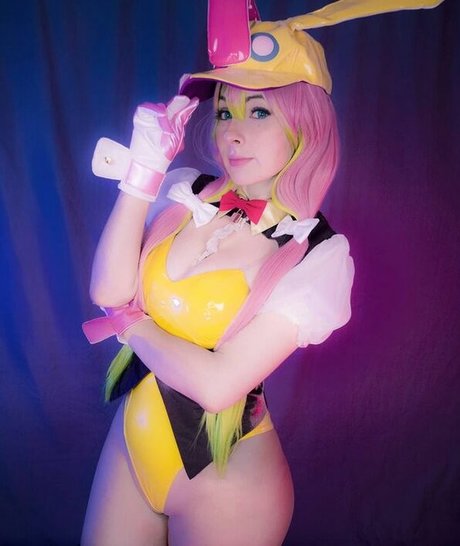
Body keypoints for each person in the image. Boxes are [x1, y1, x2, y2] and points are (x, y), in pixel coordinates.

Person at [80, 1, 443, 545]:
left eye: (259, 112)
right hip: (131, 442)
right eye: (225, 112)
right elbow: (108, 290)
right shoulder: (184, 191)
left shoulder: (316, 255)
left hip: (229, 483)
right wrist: (142, 175)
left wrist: (128, 323)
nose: (233, 134)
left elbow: (216, 386)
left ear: (304, 124)